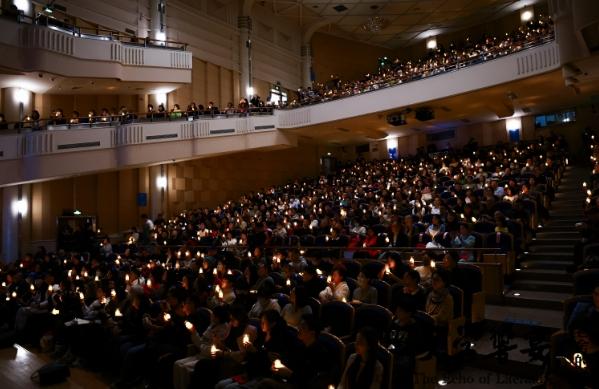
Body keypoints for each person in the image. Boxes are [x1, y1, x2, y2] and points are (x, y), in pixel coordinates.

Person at [172, 304, 231, 389]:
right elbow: (200, 342)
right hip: (201, 353)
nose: (212, 317)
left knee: (184, 368)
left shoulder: (223, 329)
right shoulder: (212, 325)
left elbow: (212, 349)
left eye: (214, 315)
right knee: (177, 364)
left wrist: (201, 346)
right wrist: (193, 332)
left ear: (219, 317)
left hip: (208, 358)